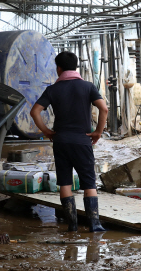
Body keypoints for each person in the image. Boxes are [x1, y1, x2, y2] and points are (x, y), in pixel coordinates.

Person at [30, 51, 109, 232]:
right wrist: (97, 132)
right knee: (89, 183)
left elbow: (34, 112)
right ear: (76, 67)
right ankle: (94, 224)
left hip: (61, 141)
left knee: (65, 182)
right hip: (83, 141)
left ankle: (72, 225)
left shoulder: (52, 89)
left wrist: (47, 131)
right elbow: (103, 109)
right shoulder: (88, 87)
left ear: (59, 68)